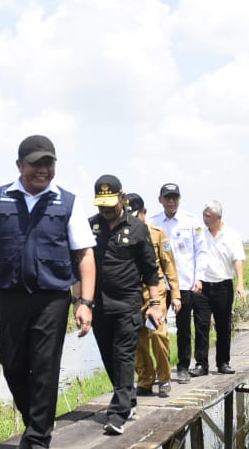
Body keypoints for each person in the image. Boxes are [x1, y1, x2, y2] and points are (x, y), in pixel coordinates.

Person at [0, 134, 96, 449]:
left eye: (48, 163)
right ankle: (32, 427)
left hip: (51, 298)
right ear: (19, 165)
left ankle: (38, 441)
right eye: (35, 163)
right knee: (12, 363)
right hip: (9, 297)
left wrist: (85, 302)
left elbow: (84, 254)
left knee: (45, 367)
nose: (43, 170)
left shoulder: (67, 201)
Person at [88, 176, 165, 435]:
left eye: (111, 203)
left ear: (122, 198)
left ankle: (117, 413)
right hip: (99, 305)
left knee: (123, 355)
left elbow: (150, 270)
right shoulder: (90, 227)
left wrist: (155, 303)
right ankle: (128, 399)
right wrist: (82, 303)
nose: (106, 209)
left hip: (128, 303)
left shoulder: (137, 228)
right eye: (102, 205)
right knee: (108, 356)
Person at [147, 183, 209, 382]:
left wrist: (198, 277)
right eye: (167, 197)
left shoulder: (191, 221)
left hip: (184, 283)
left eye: (175, 197)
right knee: (155, 327)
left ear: (180, 199)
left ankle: (183, 366)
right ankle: (161, 369)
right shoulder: (153, 222)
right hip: (160, 285)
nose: (171, 201)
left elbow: (201, 251)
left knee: (183, 327)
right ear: (160, 200)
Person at [127, 193, 180, 398]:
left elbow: (169, 266)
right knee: (138, 340)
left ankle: (164, 378)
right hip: (133, 293)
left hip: (155, 293)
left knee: (157, 334)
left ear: (144, 213)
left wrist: (175, 294)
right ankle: (146, 380)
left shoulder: (157, 234)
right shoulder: (123, 234)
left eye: (136, 215)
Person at [192, 199, 246, 376]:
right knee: (201, 325)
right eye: (203, 215)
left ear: (219, 217)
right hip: (202, 285)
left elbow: (238, 259)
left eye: (208, 216)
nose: (205, 219)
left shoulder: (232, 235)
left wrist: (240, 283)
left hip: (223, 285)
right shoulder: (199, 233)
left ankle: (223, 362)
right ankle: (201, 364)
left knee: (223, 325)